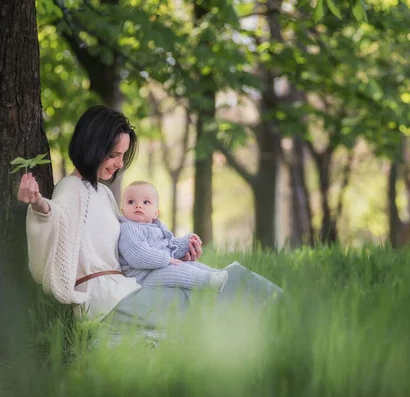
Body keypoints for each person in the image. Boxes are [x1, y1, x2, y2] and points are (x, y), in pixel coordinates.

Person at [18, 105, 282, 329]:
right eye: (114, 155)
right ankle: (280, 317)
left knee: (217, 281)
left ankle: (284, 312)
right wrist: (39, 204)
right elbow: (56, 219)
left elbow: (131, 248)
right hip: (102, 299)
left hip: (125, 286)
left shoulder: (104, 194)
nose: (120, 164)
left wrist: (177, 255)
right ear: (92, 147)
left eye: (123, 155)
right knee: (195, 300)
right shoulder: (71, 188)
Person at [119, 181, 228, 292]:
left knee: (190, 264)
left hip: (158, 268)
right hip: (142, 276)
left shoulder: (156, 228)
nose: (138, 205)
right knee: (175, 270)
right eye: (131, 201)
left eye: (146, 202)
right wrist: (167, 259)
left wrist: (187, 242)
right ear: (122, 211)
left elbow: (169, 245)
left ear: (156, 213)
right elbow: (138, 254)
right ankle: (210, 281)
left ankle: (220, 274)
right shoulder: (128, 228)